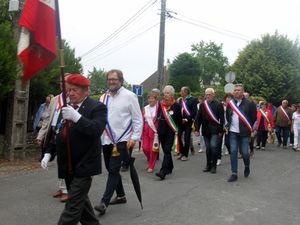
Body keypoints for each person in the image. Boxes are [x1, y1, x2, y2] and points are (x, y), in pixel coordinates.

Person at [56, 74, 107, 225]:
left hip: (85, 165)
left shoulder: (97, 107)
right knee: (83, 207)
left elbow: (95, 129)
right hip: (68, 165)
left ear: (86, 91)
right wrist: (48, 152)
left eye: (75, 90)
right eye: (69, 90)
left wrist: (77, 117)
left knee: (72, 207)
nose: (70, 93)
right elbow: (60, 133)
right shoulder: (66, 108)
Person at [95, 69, 143, 216]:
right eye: (109, 79)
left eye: (114, 79)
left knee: (114, 169)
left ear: (120, 80)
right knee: (110, 169)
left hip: (124, 140)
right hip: (107, 139)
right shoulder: (103, 97)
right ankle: (121, 195)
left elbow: (137, 119)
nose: (111, 81)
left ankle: (104, 202)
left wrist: (134, 137)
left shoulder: (130, 96)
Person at [38, 75, 70, 202]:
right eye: (61, 82)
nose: (62, 84)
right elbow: (46, 119)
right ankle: (62, 188)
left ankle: (68, 190)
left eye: (65, 82)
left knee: (66, 162)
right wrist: (41, 135)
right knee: (59, 162)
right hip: (53, 132)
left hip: (66, 133)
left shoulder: (73, 98)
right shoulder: (55, 99)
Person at [226, 84, 257, 182]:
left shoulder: (250, 103)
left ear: (243, 92)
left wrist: (250, 129)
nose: (236, 92)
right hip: (233, 132)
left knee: (244, 153)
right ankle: (234, 173)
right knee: (233, 152)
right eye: (235, 90)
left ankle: (247, 166)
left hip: (244, 133)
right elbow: (228, 116)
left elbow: (253, 118)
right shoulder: (230, 104)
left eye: (238, 90)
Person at [195, 88, 224, 174]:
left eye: (209, 94)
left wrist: (221, 131)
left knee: (213, 147)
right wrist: (196, 129)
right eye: (206, 94)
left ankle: (214, 166)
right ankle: (208, 165)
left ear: (213, 95)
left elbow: (222, 119)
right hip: (205, 130)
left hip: (215, 130)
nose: (208, 96)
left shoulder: (219, 104)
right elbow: (198, 118)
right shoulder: (202, 105)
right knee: (208, 149)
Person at [155, 85, 181, 180]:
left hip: (171, 131)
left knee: (166, 149)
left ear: (172, 95)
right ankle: (170, 167)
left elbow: (179, 119)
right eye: (165, 93)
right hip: (161, 130)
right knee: (166, 150)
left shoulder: (176, 105)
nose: (166, 95)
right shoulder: (160, 104)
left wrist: (178, 131)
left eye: (168, 93)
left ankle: (163, 171)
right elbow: (158, 116)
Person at [177, 86, 198, 161]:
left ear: (185, 92)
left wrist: (186, 119)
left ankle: (185, 155)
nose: (180, 92)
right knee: (178, 136)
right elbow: (179, 110)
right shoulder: (180, 100)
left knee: (186, 138)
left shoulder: (193, 99)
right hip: (181, 122)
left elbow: (193, 112)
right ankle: (182, 152)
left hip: (188, 122)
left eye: (181, 91)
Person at [142, 93, 159, 173]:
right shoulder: (145, 108)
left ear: (156, 100)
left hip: (155, 130)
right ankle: (150, 158)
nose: (150, 100)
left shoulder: (159, 108)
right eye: (149, 98)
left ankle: (151, 165)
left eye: (152, 98)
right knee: (145, 148)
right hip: (146, 129)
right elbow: (142, 119)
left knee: (153, 149)